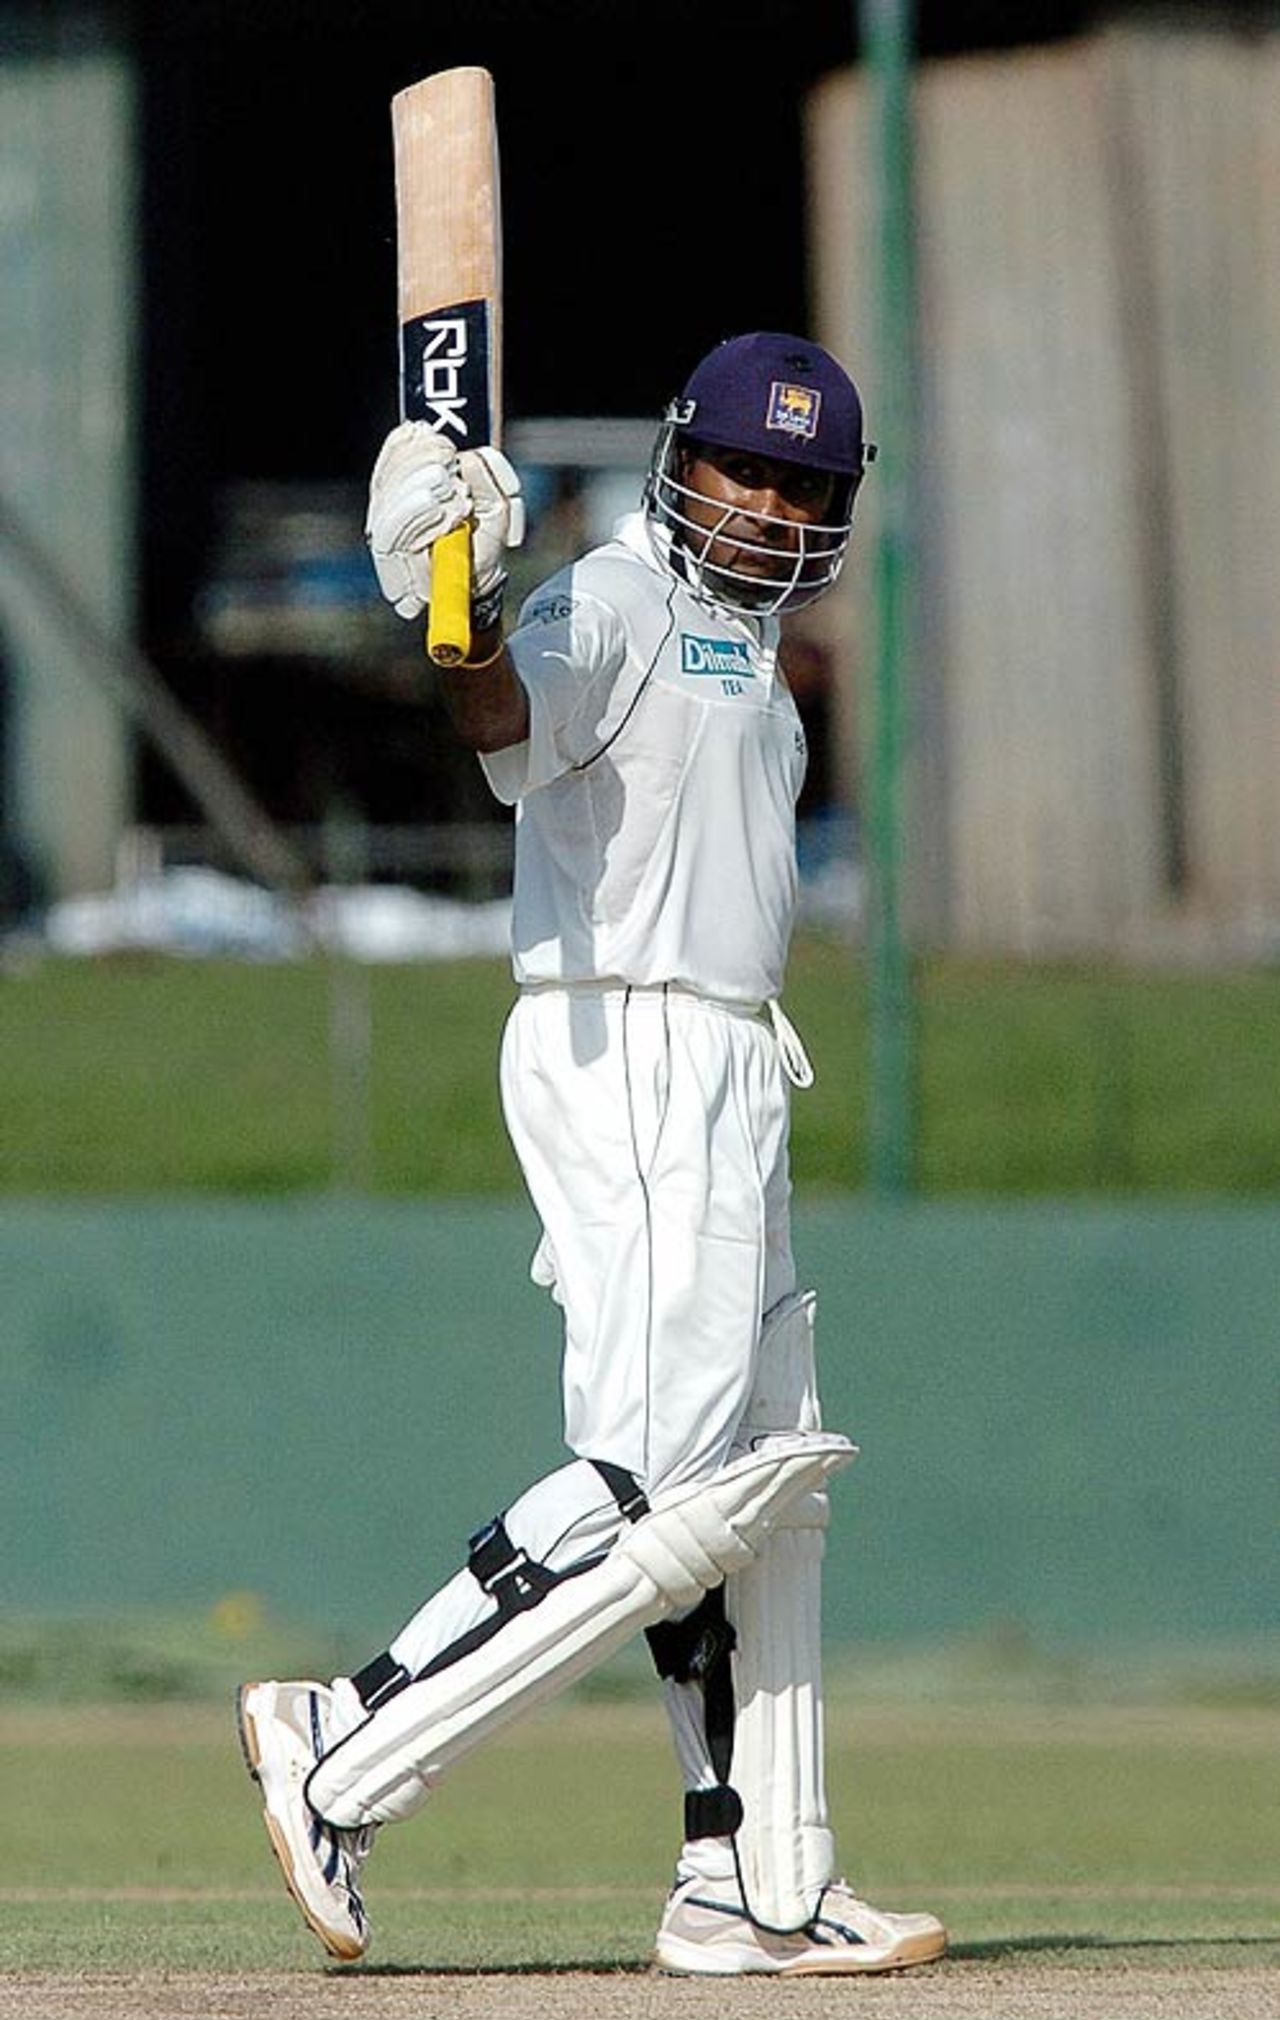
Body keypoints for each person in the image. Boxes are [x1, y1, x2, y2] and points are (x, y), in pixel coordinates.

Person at [237, 332, 946, 1978]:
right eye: (743, 471)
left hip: (736, 1061)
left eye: (803, 486)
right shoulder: (614, 599)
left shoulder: (754, 652)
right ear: (677, 462)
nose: (768, 508)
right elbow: (500, 712)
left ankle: (755, 1882)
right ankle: (341, 1739)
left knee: (764, 1478)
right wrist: (457, 589)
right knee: (649, 1477)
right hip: (623, 1039)